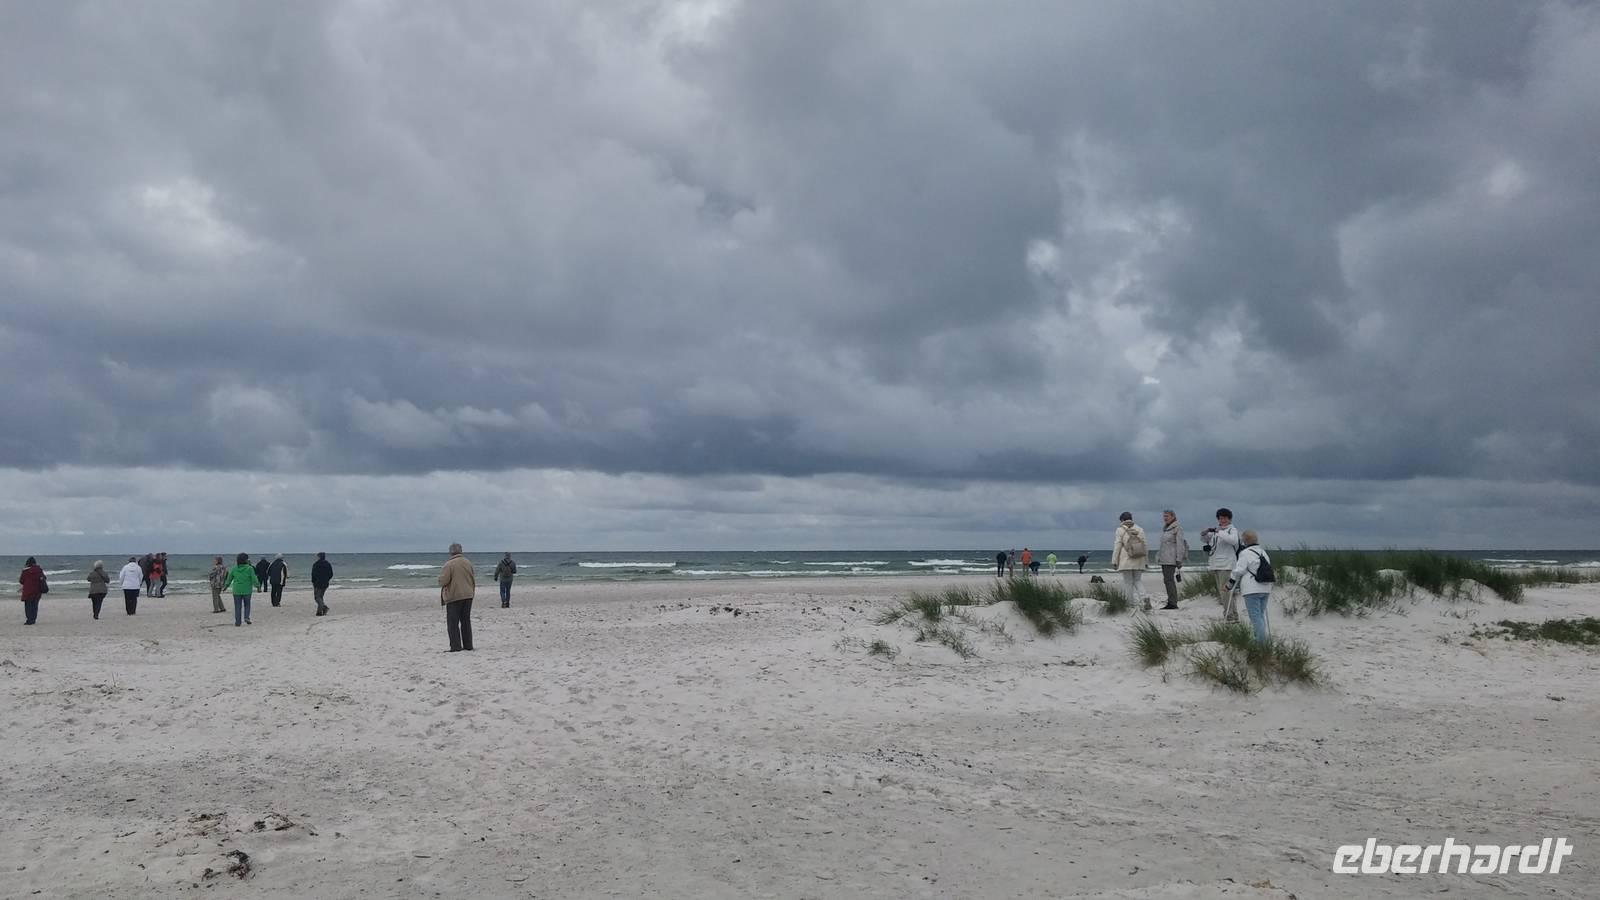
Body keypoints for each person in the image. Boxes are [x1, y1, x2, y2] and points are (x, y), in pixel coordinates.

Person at [1226, 531, 1274, 643]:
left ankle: (1261, 644)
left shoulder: (1245, 553)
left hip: (1251, 588)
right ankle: (1259, 639)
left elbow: (1239, 570)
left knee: (1255, 617)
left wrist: (1230, 583)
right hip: (1266, 587)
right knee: (1260, 616)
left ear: (1244, 541)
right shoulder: (1263, 552)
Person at [1201, 508, 1242, 623]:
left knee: (1225, 592)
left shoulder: (1232, 530)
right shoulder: (1216, 532)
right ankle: (1232, 615)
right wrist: (1204, 533)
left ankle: (1230, 615)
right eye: (1220, 518)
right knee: (1224, 592)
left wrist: (1219, 532)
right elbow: (1205, 540)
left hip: (1227, 565)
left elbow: (1233, 541)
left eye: (1225, 518)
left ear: (1229, 519)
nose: (1222, 520)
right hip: (1216, 564)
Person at [438, 542, 476, 652]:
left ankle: (455, 646)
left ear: (451, 552)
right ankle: (468, 645)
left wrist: (439, 579)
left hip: (454, 596)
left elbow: (443, 581)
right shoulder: (468, 562)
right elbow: (472, 578)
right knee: (466, 621)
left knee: (453, 622)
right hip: (468, 594)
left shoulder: (449, 564)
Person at [1111, 512, 1152, 611]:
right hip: (1139, 558)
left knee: (1128, 582)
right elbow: (1145, 545)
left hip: (1126, 559)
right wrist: (1146, 561)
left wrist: (1114, 561)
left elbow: (1117, 546)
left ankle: (1130, 603)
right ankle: (1144, 597)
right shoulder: (1140, 529)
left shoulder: (1120, 530)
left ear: (1122, 520)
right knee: (1138, 580)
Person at [1157, 509, 1188, 610]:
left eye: (1167, 516)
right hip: (1165, 558)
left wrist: (1179, 559)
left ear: (1173, 516)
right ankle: (1171, 601)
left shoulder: (1177, 528)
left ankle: (1173, 603)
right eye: (1164, 516)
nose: (1165, 518)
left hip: (1171, 559)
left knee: (1169, 580)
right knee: (1167, 580)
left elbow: (1180, 545)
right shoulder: (1166, 529)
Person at [228, 552, 256, 626]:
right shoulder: (250, 568)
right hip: (247, 590)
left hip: (237, 590)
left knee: (237, 606)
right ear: (246, 560)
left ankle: (238, 622)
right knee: (247, 604)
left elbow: (229, 578)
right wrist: (258, 586)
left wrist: (225, 586)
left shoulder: (234, 568)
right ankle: (246, 617)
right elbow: (254, 578)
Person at [18, 557, 45, 625]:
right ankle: (33, 620)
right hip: (37, 591)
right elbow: (44, 578)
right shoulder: (39, 570)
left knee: (28, 606)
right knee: (35, 606)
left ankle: (29, 620)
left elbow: (21, 581)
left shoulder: (25, 571)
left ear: (27, 563)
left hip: (28, 591)